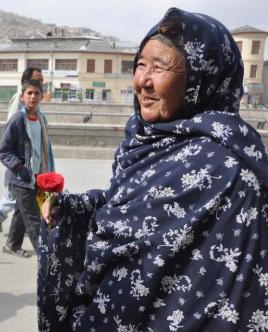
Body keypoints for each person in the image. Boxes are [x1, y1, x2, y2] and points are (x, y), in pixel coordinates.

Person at [39, 7, 268, 331]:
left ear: (201, 78)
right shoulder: (145, 141)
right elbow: (128, 207)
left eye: (159, 67)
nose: (142, 81)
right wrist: (76, 209)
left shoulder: (230, 173)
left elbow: (228, 300)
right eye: (140, 65)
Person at [0, 79, 55, 257]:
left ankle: (12, 245)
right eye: (29, 93)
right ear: (22, 97)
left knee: (21, 212)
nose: (33, 96)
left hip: (38, 175)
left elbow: (44, 149)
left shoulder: (41, 118)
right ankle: (46, 256)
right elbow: (4, 150)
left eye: (37, 93)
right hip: (21, 177)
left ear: (41, 97)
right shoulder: (17, 120)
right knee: (33, 219)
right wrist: (20, 168)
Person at [0, 67, 44, 232]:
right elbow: (13, 126)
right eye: (38, 79)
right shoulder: (18, 100)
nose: (40, 82)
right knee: (19, 195)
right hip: (19, 158)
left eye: (41, 81)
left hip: (30, 160)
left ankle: (14, 240)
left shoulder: (34, 101)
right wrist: (19, 163)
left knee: (22, 199)